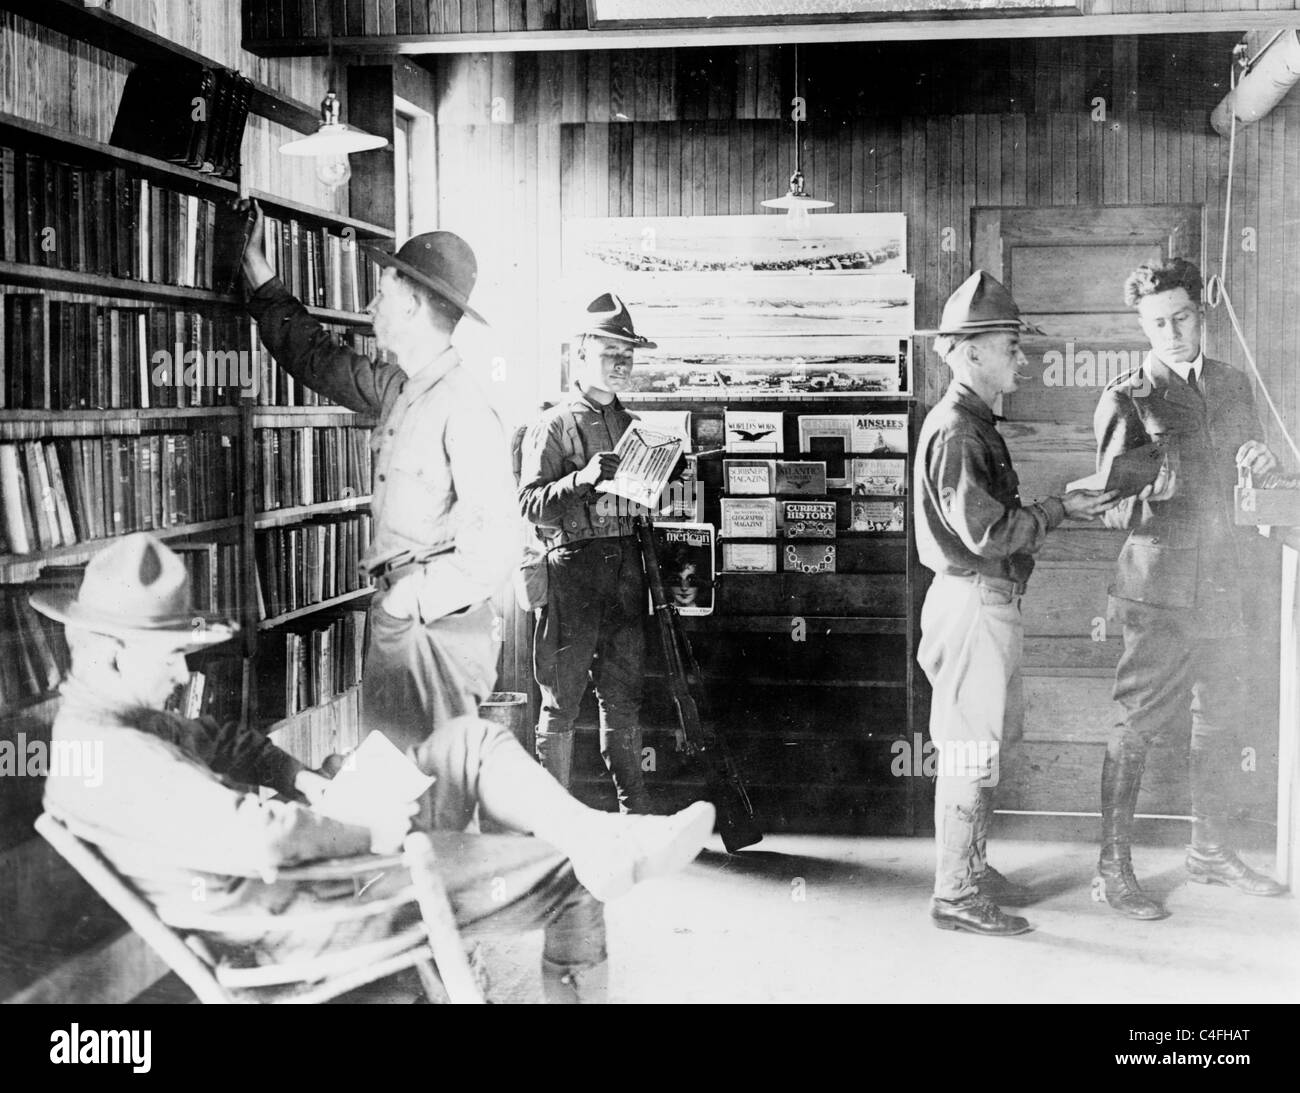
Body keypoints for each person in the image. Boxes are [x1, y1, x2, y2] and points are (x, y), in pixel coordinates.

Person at [34, 534, 717, 1003]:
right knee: (571, 876)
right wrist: (363, 826)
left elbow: (229, 741)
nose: (185, 671)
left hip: (321, 873)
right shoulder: (110, 758)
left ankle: (597, 831)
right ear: (113, 651)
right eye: (171, 654)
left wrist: (308, 780)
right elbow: (263, 838)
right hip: (309, 911)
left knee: (467, 742)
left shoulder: (119, 717)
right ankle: (593, 846)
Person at [240, 206, 517, 826]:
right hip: (406, 621)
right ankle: (418, 915)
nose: (370, 307)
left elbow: (497, 543)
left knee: (429, 805)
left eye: (383, 294)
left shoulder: (464, 406)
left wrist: (411, 599)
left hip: (432, 629)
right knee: (398, 797)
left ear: (416, 304)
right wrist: (259, 275)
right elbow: (316, 358)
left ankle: (438, 916)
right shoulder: (402, 388)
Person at [915, 270, 1120, 937]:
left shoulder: (969, 423)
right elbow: (991, 532)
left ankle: (969, 867)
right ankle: (957, 892)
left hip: (984, 599)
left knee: (980, 745)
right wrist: (1059, 508)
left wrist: (1058, 507)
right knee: (970, 750)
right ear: (972, 351)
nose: (1021, 359)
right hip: (974, 600)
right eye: (1010, 345)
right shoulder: (957, 431)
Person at [1091, 257, 1287, 919]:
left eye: (1181, 317)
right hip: (1159, 591)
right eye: (1157, 322)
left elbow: (1253, 477)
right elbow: (1107, 506)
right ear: (1142, 325)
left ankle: (1210, 848)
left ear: (1200, 312)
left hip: (1226, 584)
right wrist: (1152, 494)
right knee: (1136, 725)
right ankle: (1110, 868)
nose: (1172, 331)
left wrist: (1264, 462)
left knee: (1220, 718)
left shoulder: (1232, 385)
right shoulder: (1127, 398)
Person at [518, 293, 662, 813]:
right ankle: (553, 824)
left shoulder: (634, 429)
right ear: (580, 354)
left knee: (623, 701)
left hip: (627, 571)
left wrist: (665, 479)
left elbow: (639, 502)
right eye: (609, 352)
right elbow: (530, 505)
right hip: (573, 573)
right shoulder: (552, 425)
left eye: (628, 354)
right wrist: (580, 479)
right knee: (560, 705)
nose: (621, 364)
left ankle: (636, 815)